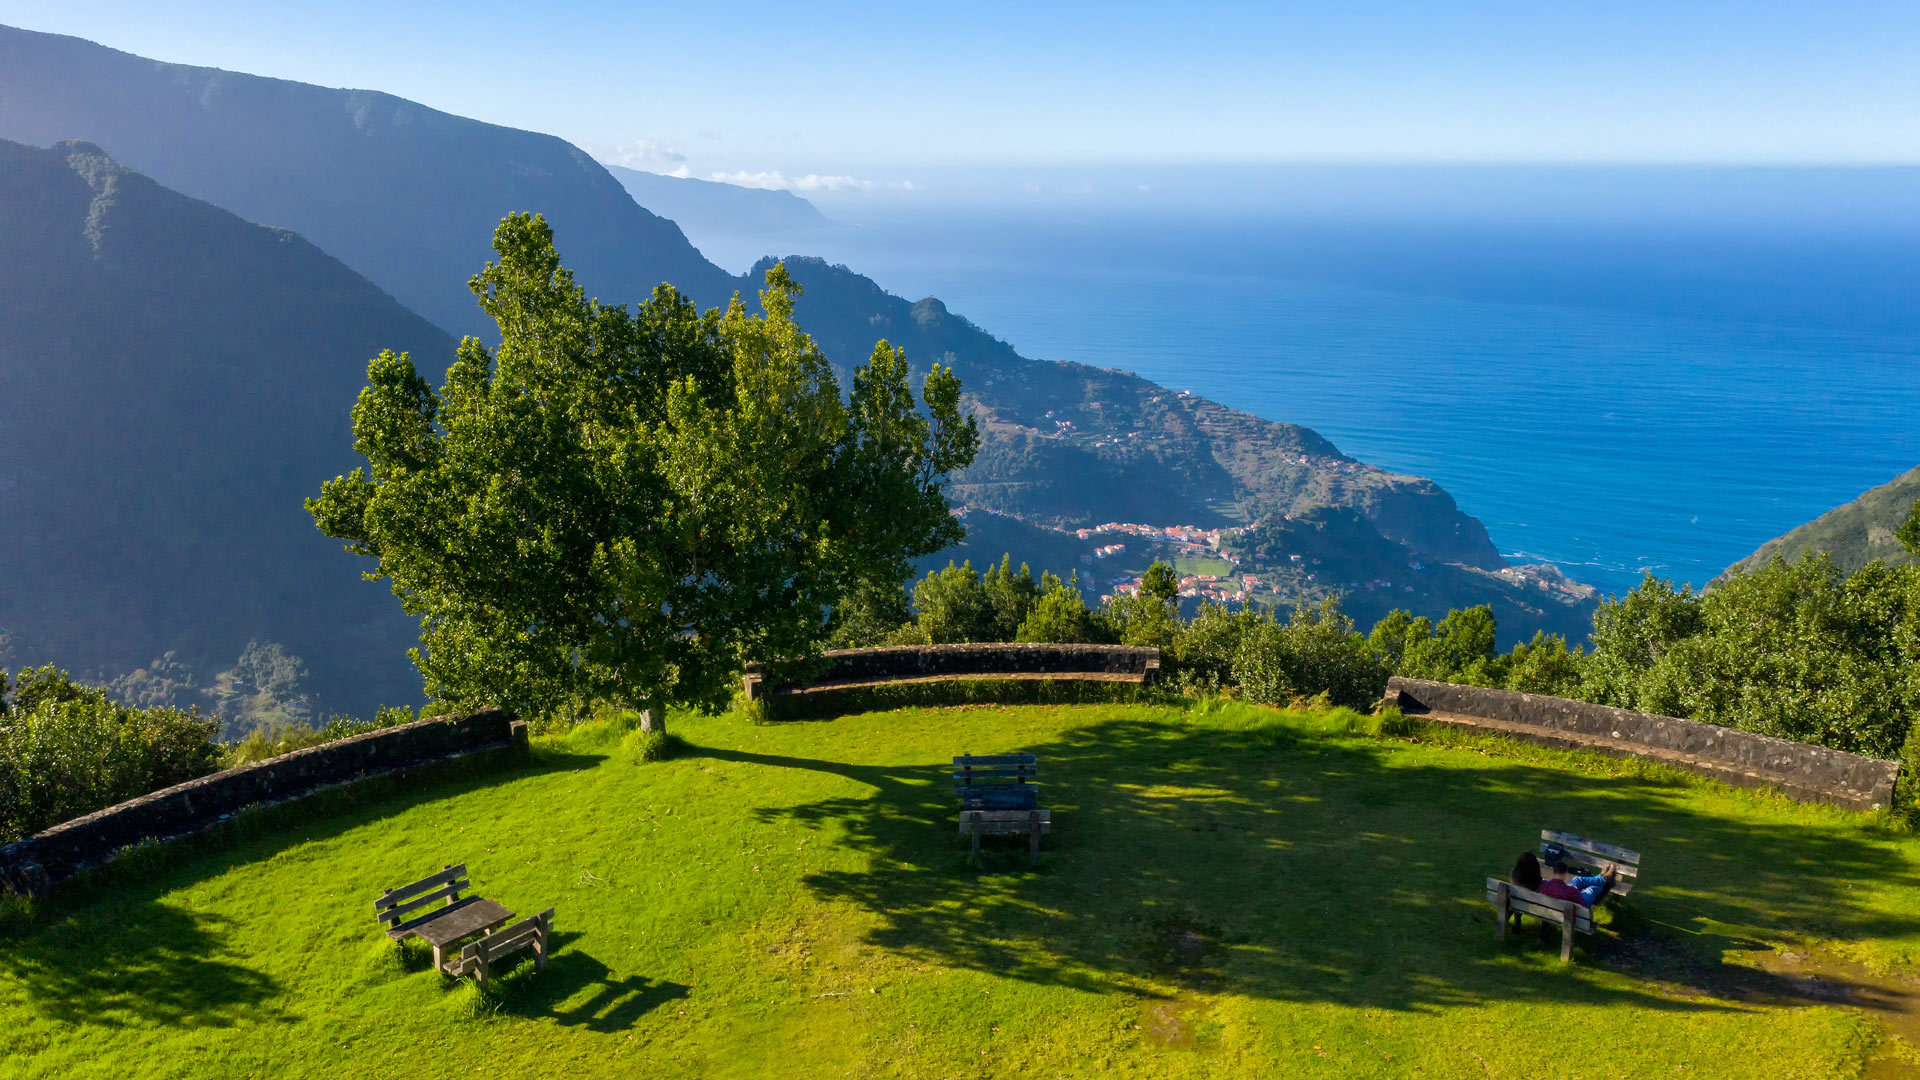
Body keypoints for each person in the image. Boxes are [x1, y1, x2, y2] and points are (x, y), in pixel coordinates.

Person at [1538, 857, 1616, 909]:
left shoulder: (1545, 885)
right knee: (1593, 888)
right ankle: (1605, 878)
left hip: (1561, 903)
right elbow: (1581, 902)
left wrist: (1574, 890)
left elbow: (1560, 890)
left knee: (1577, 879)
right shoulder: (1570, 890)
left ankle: (1602, 877)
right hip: (1576, 908)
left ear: (1553, 871)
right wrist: (1578, 891)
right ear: (1565, 873)